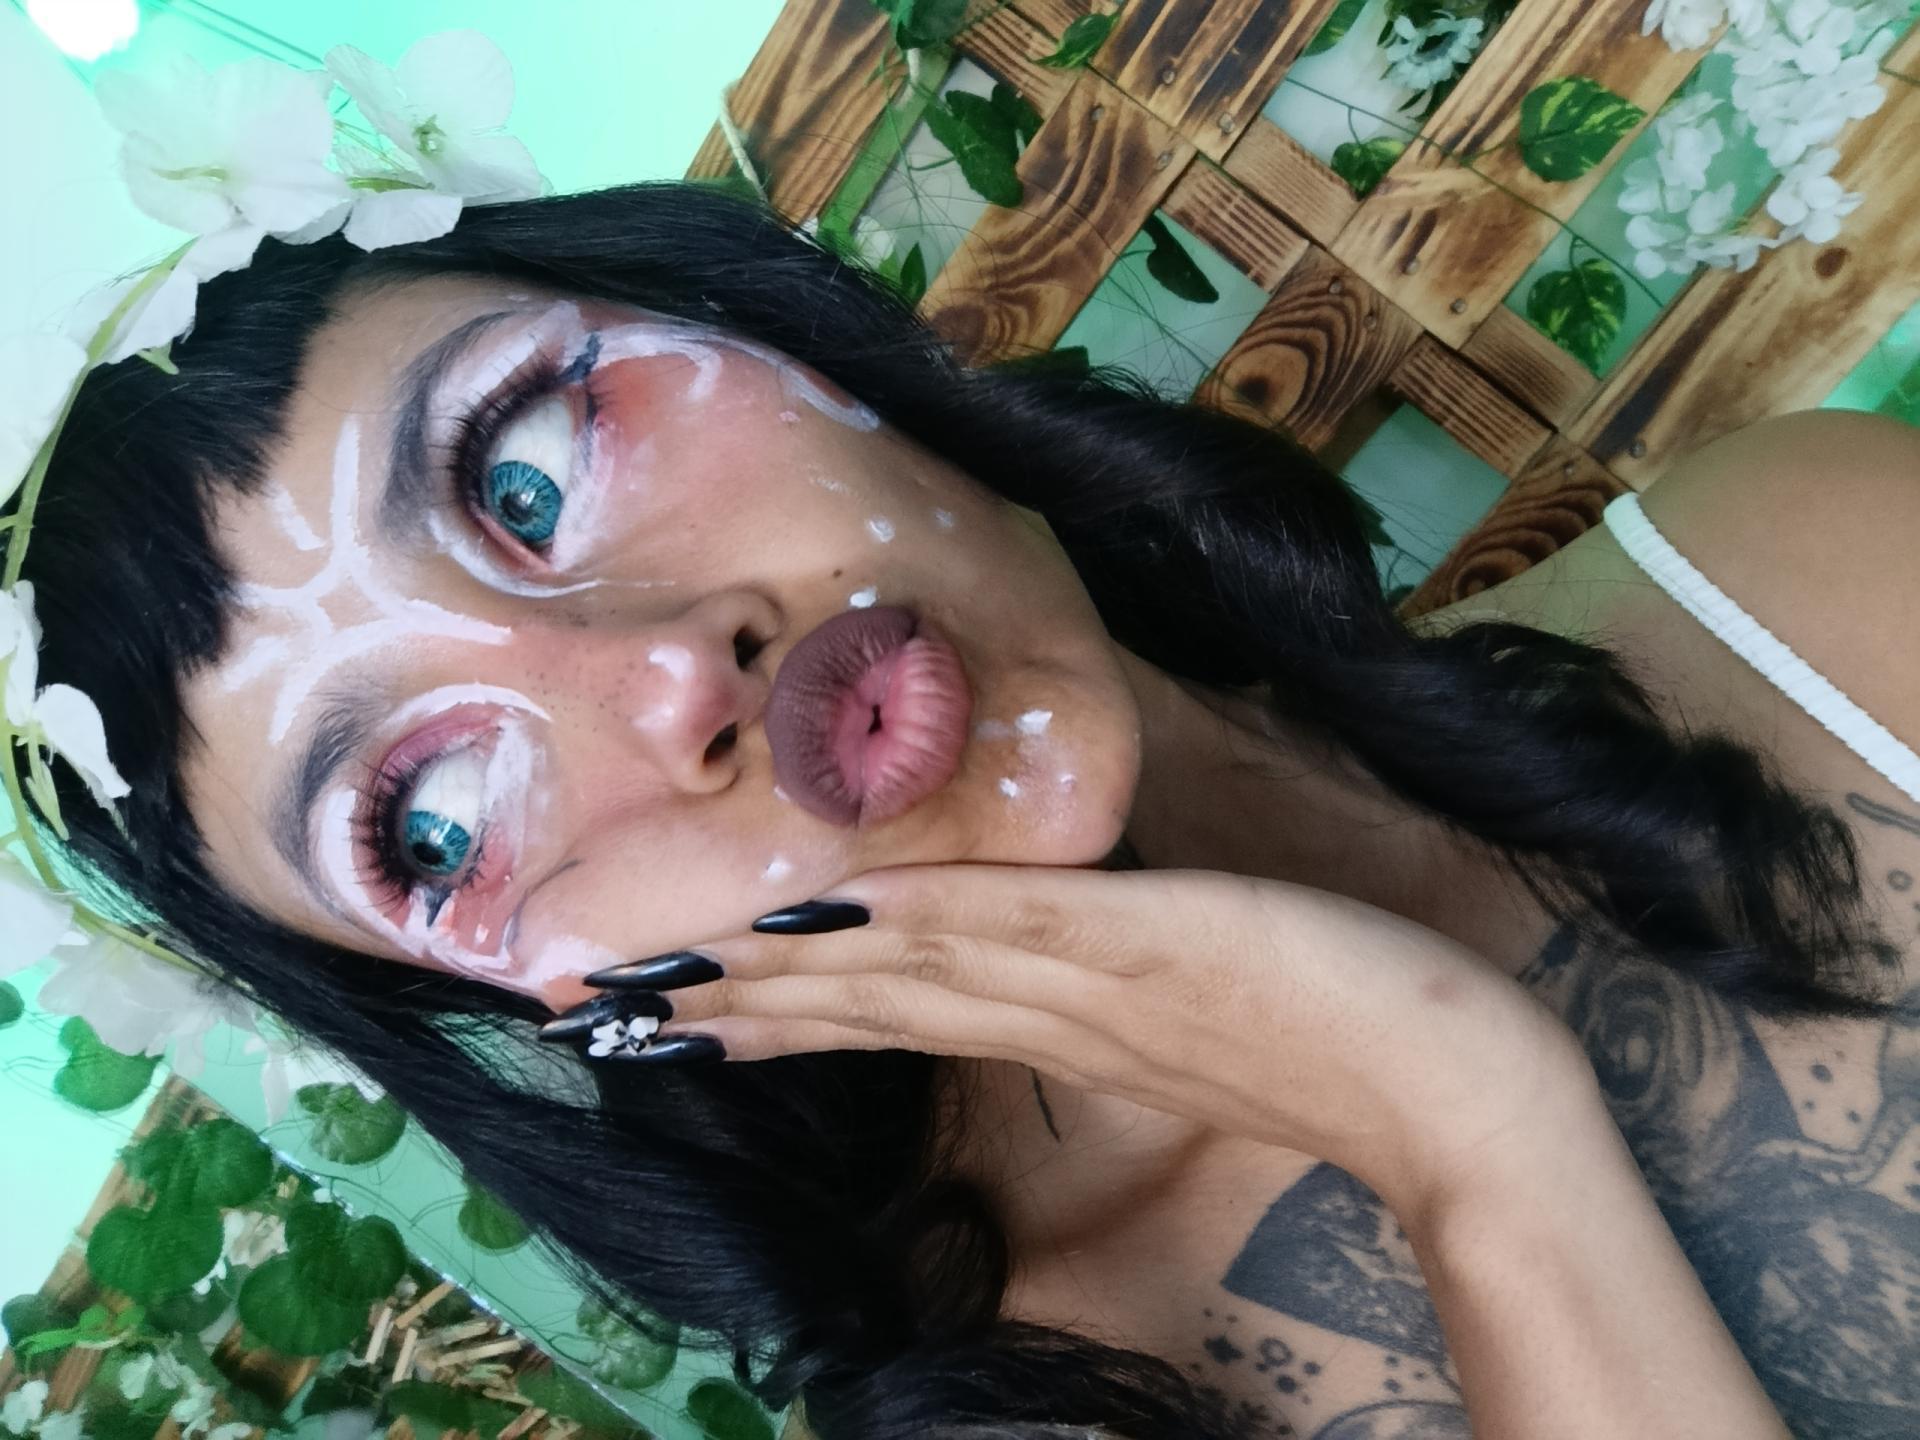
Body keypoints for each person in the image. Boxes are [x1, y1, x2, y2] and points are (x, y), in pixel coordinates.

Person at [17, 178, 1918, 1440]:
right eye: (430, 825)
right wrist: (1475, 1132)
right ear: (532, 1008)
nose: (663, 674)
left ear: (787, 336)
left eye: (526, 474)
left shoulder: (1799, 572)